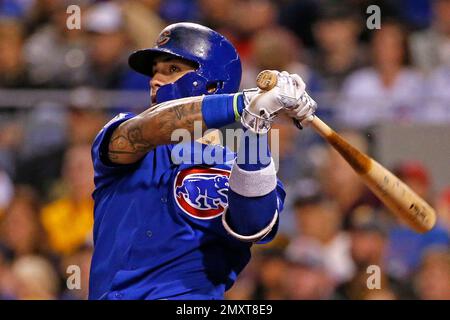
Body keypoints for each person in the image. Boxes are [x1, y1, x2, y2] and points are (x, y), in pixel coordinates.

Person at [88, 22, 317, 300]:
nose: (155, 80)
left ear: (212, 85)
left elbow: (252, 225)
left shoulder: (247, 158)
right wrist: (246, 102)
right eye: (155, 71)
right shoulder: (127, 131)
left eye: (172, 70)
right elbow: (156, 125)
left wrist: (257, 123)